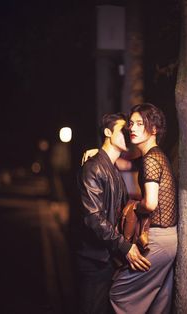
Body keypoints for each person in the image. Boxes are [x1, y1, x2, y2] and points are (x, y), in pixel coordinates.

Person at [83, 103, 178, 314]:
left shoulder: (147, 159)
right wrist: (98, 153)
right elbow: (93, 217)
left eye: (138, 124)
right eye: (129, 126)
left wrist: (136, 210)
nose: (131, 130)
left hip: (146, 241)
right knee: (157, 302)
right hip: (104, 255)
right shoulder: (149, 157)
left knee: (121, 296)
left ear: (153, 129)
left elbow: (150, 202)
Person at [76, 112, 151, 314]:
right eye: (123, 131)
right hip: (95, 260)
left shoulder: (111, 168)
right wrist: (124, 246)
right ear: (108, 132)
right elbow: (93, 218)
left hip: (108, 258)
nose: (128, 135)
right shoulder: (94, 167)